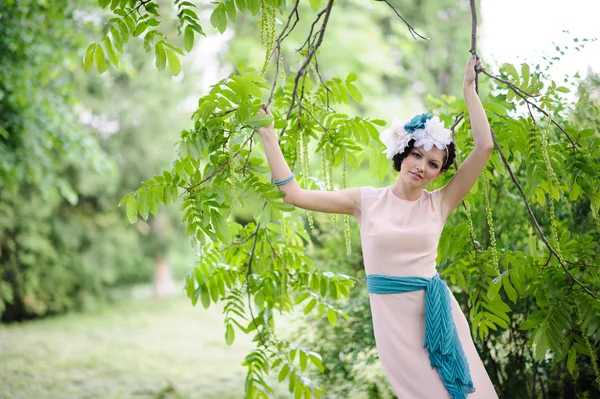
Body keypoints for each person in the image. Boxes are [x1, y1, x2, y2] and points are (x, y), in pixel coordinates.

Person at [256, 55, 499, 398]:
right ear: (404, 152)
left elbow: (484, 146)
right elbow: (292, 194)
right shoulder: (365, 201)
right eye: (417, 155)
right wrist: (268, 137)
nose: (421, 167)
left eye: (433, 164)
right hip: (394, 326)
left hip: (435, 317)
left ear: (439, 172)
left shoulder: (440, 203)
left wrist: (468, 90)